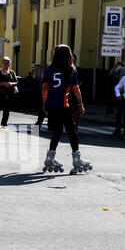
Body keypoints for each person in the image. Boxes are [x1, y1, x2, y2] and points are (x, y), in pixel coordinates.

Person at [41, 44, 92, 174]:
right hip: (63, 105)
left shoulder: (49, 68)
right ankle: (77, 159)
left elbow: (44, 88)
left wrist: (44, 103)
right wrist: (80, 104)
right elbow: (75, 88)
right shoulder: (70, 69)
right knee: (71, 131)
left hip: (51, 104)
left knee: (57, 131)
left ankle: (50, 157)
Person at [0, 56, 18, 129]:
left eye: (7, 63)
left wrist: (11, 84)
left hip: (8, 94)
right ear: (2, 64)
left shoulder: (12, 72)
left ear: (9, 64)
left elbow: (16, 82)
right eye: (4, 63)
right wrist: (3, 83)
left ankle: (4, 123)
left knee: (7, 109)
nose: (5, 64)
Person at [110, 55, 125, 135]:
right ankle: (118, 128)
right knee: (118, 113)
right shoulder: (121, 69)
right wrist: (116, 65)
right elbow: (112, 73)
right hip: (121, 93)